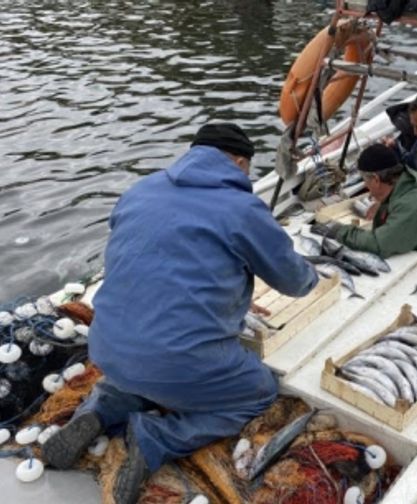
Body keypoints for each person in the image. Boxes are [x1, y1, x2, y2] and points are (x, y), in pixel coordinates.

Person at [42, 123, 319, 504]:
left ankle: (100, 408)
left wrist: (227, 285)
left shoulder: (140, 191)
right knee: (259, 391)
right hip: (177, 360)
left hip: (106, 345)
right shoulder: (241, 207)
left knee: (138, 366)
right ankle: (159, 437)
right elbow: (295, 282)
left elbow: (155, 256)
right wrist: (314, 273)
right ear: (240, 162)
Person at [312, 144, 417, 274]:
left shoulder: (414, 202)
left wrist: (341, 231)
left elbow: (380, 244)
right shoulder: (406, 186)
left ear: (376, 179)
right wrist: (385, 203)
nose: (367, 188)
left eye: (366, 182)